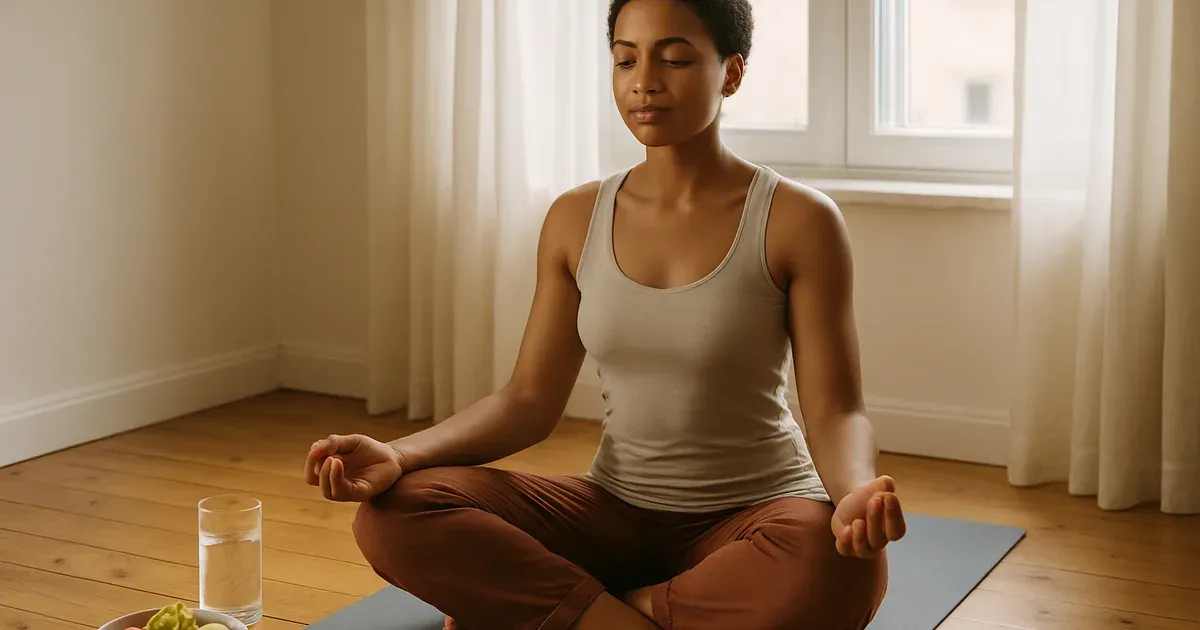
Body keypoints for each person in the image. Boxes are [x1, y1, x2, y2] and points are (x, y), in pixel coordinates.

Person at [305, 0, 907, 627]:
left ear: (731, 73)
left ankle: (594, 610)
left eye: (674, 59)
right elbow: (528, 401)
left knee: (840, 565)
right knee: (395, 510)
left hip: (757, 513)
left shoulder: (799, 220)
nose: (644, 81)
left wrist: (854, 492)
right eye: (625, 60)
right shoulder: (575, 217)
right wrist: (399, 455)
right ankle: (640, 613)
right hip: (612, 512)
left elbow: (837, 410)